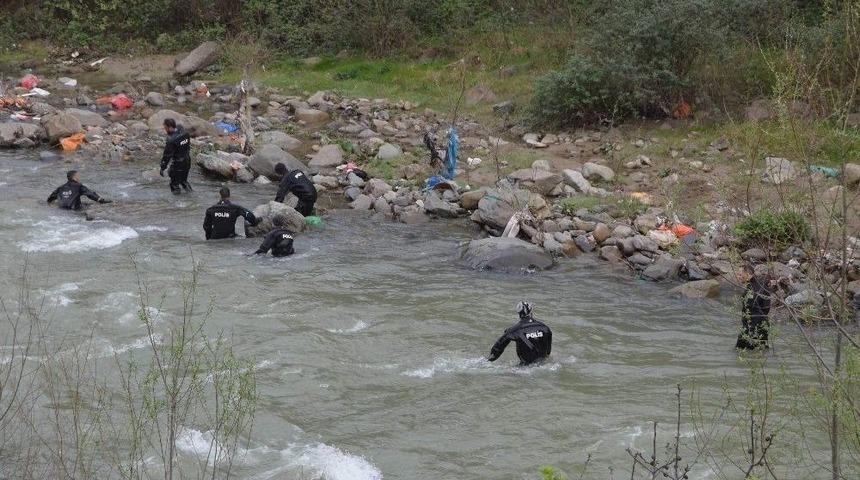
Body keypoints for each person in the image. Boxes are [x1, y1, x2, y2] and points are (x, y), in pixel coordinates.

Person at [488, 301, 553, 366]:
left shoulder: (514, 330)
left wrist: (489, 360)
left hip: (524, 369)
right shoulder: (544, 328)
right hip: (544, 365)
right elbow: (548, 352)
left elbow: (498, 347)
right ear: (531, 312)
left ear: (519, 314)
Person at [736, 265, 773, 350]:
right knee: (761, 353)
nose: (738, 277)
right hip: (763, 326)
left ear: (748, 274)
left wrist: (749, 329)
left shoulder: (751, 290)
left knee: (738, 352)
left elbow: (750, 310)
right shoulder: (762, 285)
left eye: (740, 274)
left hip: (751, 327)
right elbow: (766, 308)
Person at [47, 170, 112, 210]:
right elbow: (90, 194)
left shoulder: (61, 187)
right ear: (75, 177)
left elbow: (51, 197)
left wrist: (49, 202)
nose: (79, 177)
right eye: (78, 176)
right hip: (73, 210)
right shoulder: (79, 186)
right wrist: (101, 200)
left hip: (61, 209)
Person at [160, 118, 193, 195]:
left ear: (169, 127)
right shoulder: (184, 132)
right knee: (184, 181)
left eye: (165, 128)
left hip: (178, 164)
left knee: (174, 185)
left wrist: (162, 167)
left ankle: (177, 204)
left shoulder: (171, 140)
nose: (165, 130)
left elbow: (167, 156)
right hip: (187, 161)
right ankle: (191, 195)